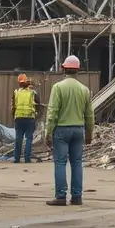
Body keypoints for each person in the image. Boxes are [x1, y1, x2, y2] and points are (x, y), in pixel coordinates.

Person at [45, 55, 94, 206]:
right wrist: (89, 133)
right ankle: (77, 196)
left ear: (63, 68)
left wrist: (48, 132)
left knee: (60, 162)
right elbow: (89, 114)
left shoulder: (58, 87)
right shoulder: (84, 90)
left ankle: (60, 196)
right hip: (79, 130)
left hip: (62, 130)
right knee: (77, 163)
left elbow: (52, 111)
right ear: (78, 70)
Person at [12, 74, 37, 165]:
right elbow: (38, 104)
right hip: (29, 118)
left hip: (18, 118)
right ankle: (27, 159)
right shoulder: (32, 93)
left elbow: (13, 106)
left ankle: (17, 159)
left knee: (18, 139)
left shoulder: (16, 93)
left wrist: (14, 116)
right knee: (29, 139)